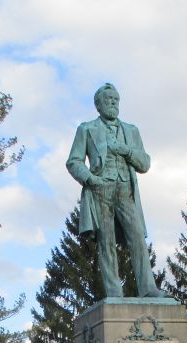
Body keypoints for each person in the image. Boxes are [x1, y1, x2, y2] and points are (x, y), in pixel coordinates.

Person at [66, 83, 167, 299]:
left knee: (138, 236)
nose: (112, 102)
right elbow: (74, 162)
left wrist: (127, 150)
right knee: (106, 242)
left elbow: (145, 164)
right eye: (107, 99)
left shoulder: (131, 131)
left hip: (125, 190)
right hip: (100, 189)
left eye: (115, 99)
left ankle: (148, 289)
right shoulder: (86, 129)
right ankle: (114, 292)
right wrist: (91, 179)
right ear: (98, 105)